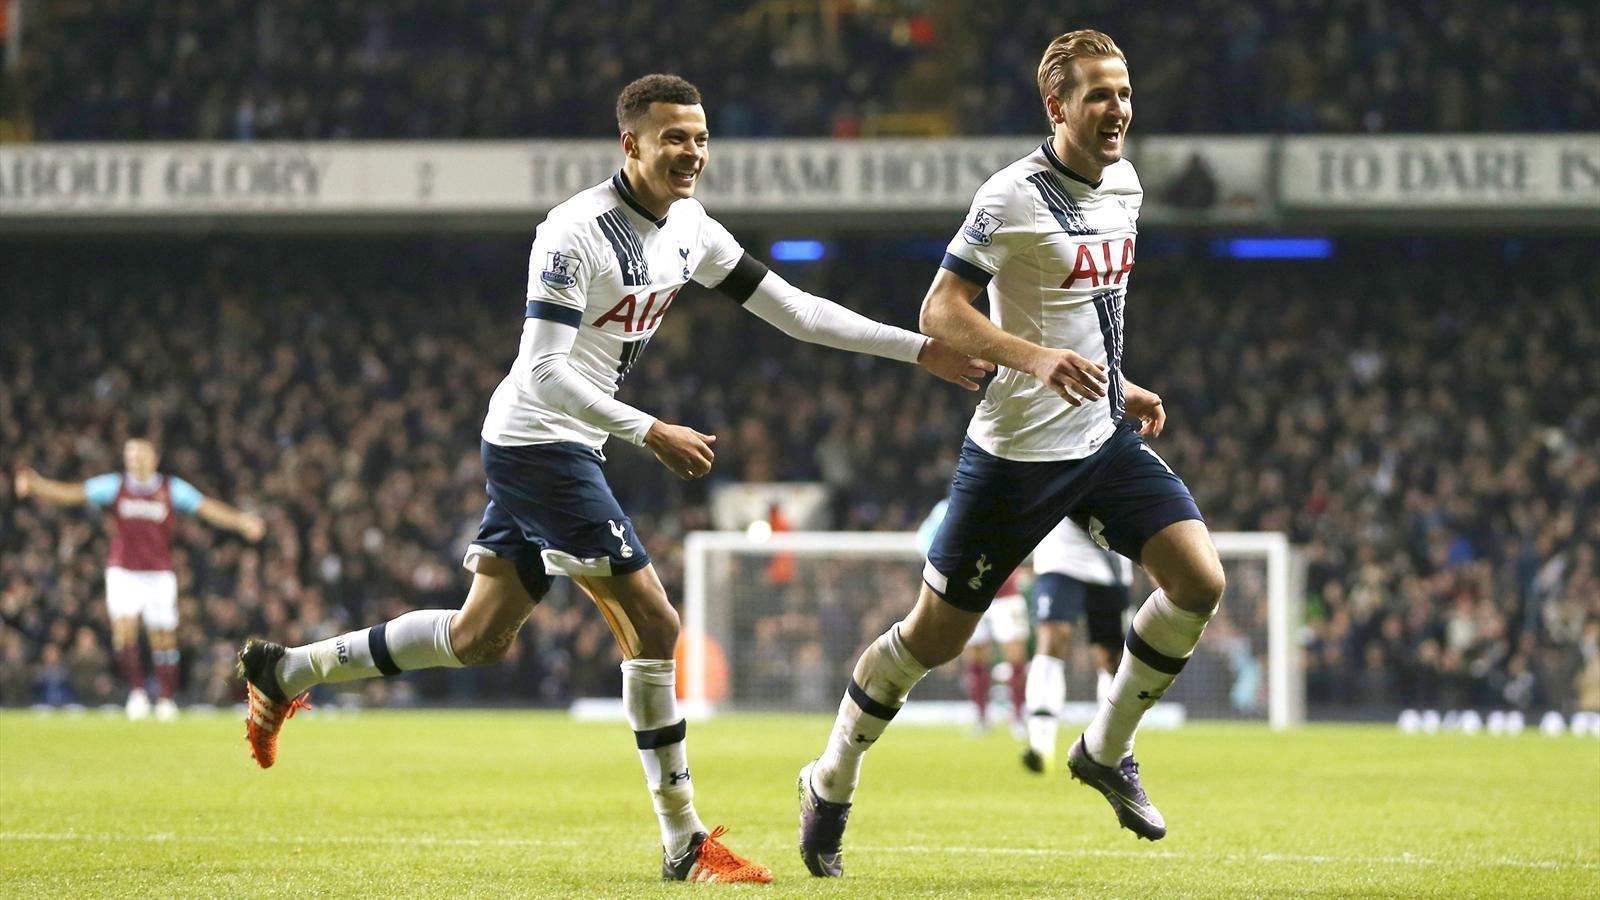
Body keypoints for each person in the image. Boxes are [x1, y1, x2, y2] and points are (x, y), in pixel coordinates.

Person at [234, 73, 989, 885]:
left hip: (564, 444)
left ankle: (287, 670)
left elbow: (796, 310)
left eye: (700, 138)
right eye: (674, 139)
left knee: (478, 636)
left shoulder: (690, 228)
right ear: (630, 144)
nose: (691, 153)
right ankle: (684, 841)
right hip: (540, 442)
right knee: (656, 625)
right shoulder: (573, 232)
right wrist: (646, 429)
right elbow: (543, 368)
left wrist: (920, 350)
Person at [797, 30, 1227, 876]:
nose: (1118, 111)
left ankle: (1104, 748)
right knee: (933, 640)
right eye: (1099, 95)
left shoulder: (1127, 186)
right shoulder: (1012, 196)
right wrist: (1033, 361)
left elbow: (1086, 311)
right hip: (1015, 453)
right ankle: (830, 776)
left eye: (1125, 93)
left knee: (1199, 580)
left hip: (1098, 437)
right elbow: (940, 310)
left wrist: (1117, 385)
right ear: (1055, 105)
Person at [15, 438, 266, 720]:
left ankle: (166, 699)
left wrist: (241, 521)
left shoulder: (170, 489)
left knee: (164, 637)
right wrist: (37, 486)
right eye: (130, 455)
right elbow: (73, 493)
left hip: (159, 573)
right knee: (124, 630)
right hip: (123, 571)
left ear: (154, 458)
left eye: (140, 454)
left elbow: (206, 507)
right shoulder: (115, 486)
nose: (134, 460)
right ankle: (137, 694)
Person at [1021, 516, 1132, 774]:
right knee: (1051, 636)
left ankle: (1107, 746)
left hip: (1109, 558)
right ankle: (1040, 745)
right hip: (1060, 555)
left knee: (1110, 658)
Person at [916, 500, 1029, 738]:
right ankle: (981, 717)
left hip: (1005, 592)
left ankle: (1019, 717)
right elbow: (924, 540)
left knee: (1015, 656)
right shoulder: (946, 509)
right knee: (976, 656)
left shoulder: (1008, 505)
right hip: (970, 593)